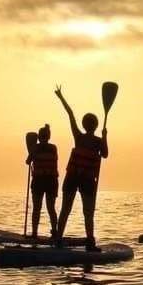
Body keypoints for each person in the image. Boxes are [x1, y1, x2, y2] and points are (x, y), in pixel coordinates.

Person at [53, 86, 108, 252]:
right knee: (79, 211)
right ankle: (64, 239)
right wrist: (61, 97)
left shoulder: (95, 140)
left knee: (82, 211)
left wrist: (105, 137)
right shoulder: (81, 137)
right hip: (77, 178)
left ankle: (70, 239)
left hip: (83, 179)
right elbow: (70, 115)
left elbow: (104, 154)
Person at [26, 124, 59, 241]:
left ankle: (34, 233)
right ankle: (55, 232)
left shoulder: (35, 148)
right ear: (48, 137)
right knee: (51, 208)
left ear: (39, 137)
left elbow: (28, 161)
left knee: (36, 208)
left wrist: (31, 149)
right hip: (51, 181)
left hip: (39, 181)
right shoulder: (53, 147)